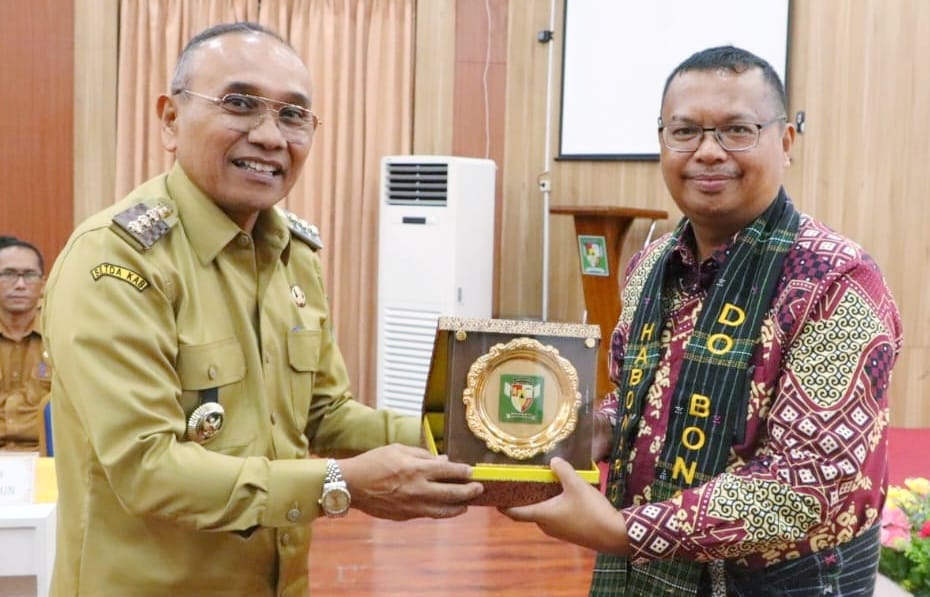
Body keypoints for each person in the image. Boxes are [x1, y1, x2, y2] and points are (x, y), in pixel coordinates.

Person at [42, 22, 482, 596]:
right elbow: (147, 469)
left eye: (294, 116)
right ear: (170, 120)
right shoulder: (116, 263)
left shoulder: (294, 255)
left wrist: (473, 433)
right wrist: (340, 483)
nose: (271, 136)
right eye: (241, 104)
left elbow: (325, 416)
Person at [501, 45, 903, 596]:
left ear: (785, 143)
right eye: (685, 131)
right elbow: (646, 391)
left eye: (737, 130)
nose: (708, 152)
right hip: (658, 567)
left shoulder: (838, 282)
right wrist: (601, 426)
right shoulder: (650, 266)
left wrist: (624, 531)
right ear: (662, 141)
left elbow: (806, 484)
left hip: (788, 582)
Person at [0, 235, 51, 453]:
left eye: (29, 275)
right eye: (9, 274)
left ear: (43, 283)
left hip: (45, 459)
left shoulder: (60, 336)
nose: (20, 285)